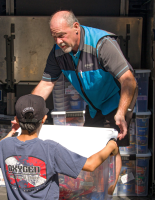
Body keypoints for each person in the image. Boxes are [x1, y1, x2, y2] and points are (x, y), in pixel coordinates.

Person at [32, 10, 138, 196]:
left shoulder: (101, 44)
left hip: (116, 101)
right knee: (91, 148)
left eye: (62, 35)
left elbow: (129, 80)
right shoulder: (58, 53)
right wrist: (27, 112)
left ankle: (107, 194)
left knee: (110, 147)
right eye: (54, 37)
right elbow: (47, 83)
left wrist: (121, 112)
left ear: (76, 28)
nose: (58, 41)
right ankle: (94, 191)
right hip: (94, 105)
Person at [0, 94, 118, 200]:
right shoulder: (50, 149)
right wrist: (111, 145)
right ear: (44, 119)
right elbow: (91, 165)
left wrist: (11, 132)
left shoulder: (6, 145)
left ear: (16, 119)